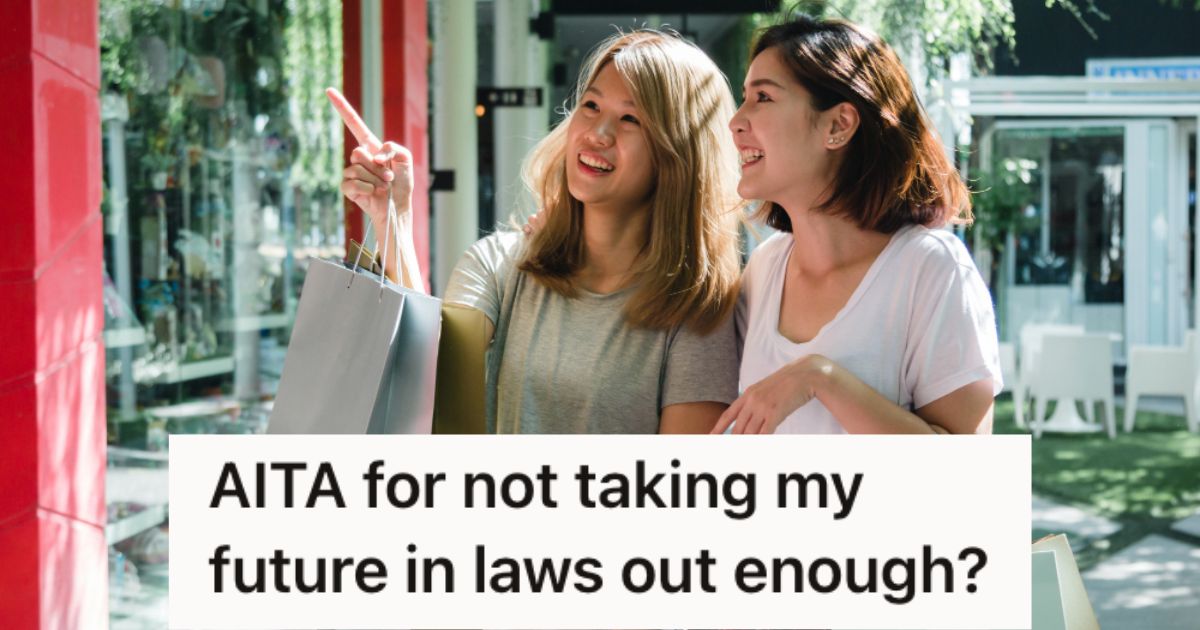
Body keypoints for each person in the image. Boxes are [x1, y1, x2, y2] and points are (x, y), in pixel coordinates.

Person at [331, 30, 743, 435]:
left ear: (680, 155)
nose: (597, 134)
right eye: (592, 105)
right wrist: (393, 216)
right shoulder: (500, 264)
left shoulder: (697, 311)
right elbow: (434, 377)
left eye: (631, 118)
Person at [711, 16, 1002, 435]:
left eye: (763, 98)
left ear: (838, 125)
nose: (737, 121)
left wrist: (820, 378)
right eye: (744, 98)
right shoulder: (764, 269)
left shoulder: (932, 269)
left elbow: (962, 474)